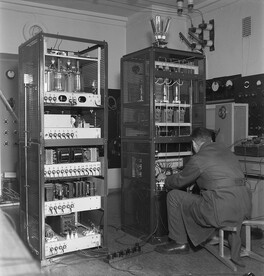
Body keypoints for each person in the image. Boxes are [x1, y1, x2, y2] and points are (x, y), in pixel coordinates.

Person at [155, 127, 251, 264]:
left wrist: (165, 180)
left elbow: (178, 181)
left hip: (221, 210)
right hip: (243, 207)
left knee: (174, 196)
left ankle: (179, 243)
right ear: (211, 140)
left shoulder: (199, 158)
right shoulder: (228, 153)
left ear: (194, 144)